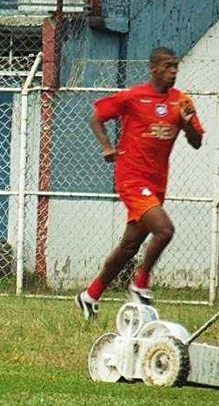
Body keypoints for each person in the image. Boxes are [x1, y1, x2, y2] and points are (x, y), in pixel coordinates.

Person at [76, 47, 204, 320]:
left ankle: (90, 295)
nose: (173, 71)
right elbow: (95, 117)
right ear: (154, 68)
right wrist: (107, 146)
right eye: (168, 66)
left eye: (176, 67)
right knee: (165, 230)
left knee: (129, 246)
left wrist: (189, 122)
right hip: (131, 178)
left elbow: (196, 142)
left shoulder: (181, 101)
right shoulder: (134, 96)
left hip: (157, 184)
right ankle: (140, 283)